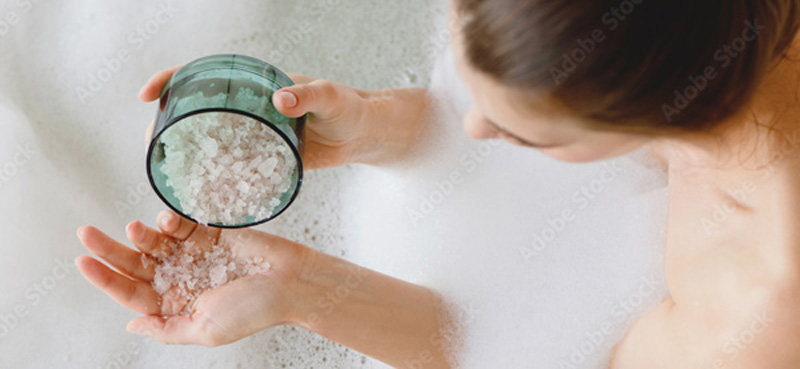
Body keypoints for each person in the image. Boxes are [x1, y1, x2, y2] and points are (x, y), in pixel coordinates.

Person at [76, 0, 800, 368]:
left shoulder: (760, 301)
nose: (475, 128)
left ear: (664, 111)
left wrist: (303, 290)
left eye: (523, 133)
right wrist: (376, 126)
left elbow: (537, 355)